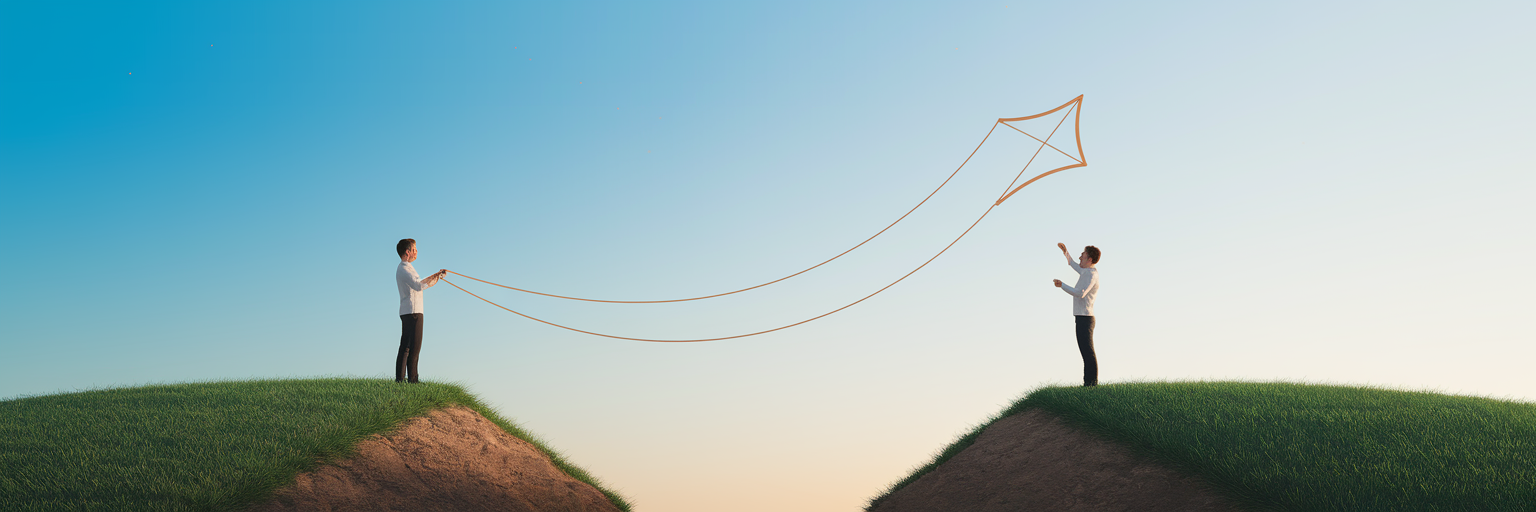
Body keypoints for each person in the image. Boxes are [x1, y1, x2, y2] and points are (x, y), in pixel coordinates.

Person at [396, 238, 447, 384]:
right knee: (414, 347)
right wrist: (436, 276)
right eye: (414, 249)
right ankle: (413, 380)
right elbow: (419, 285)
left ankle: (400, 380)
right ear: (408, 252)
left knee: (406, 347)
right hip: (413, 312)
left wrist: (436, 276)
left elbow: (419, 283)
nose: (416, 252)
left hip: (408, 311)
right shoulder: (405, 268)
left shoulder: (404, 268)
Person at [1053, 243, 1101, 387]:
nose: (1080, 256)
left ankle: (1091, 385)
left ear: (1090, 259)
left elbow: (1080, 293)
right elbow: (1074, 265)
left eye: (1083, 255)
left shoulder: (1091, 275)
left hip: (1085, 319)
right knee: (1085, 352)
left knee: (1087, 352)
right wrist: (1065, 252)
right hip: (1081, 317)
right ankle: (1089, 384)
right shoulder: (1086, 271)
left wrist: (1062, 285)